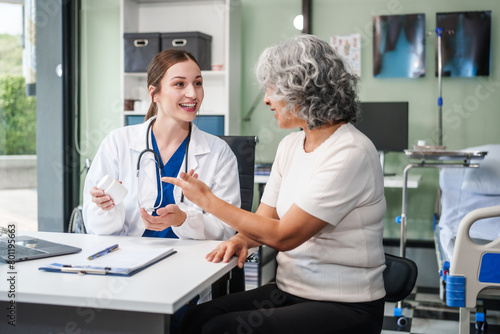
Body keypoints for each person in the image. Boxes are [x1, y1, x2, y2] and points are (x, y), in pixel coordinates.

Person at [163, 34, 387, 334]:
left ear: (304, 92)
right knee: (194, 318)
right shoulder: (291, 145)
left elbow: (283, 236)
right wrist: (242, 239)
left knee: (220, 330)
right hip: (290, 291)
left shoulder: (350, 151)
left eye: (274, 89)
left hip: (345, 304)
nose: (267, 99)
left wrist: (208, 202)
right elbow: (266, 220)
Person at [82, 48, 240, 243]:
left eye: (197, 83)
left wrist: (184, 220)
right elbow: (96, 229)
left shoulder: (219, 153)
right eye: (179, 84)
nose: (192, 93)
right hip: (130, 259)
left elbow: (226, 230)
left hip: (193, 265)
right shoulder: (117, 144)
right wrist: (106, 209)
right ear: (154, 93)